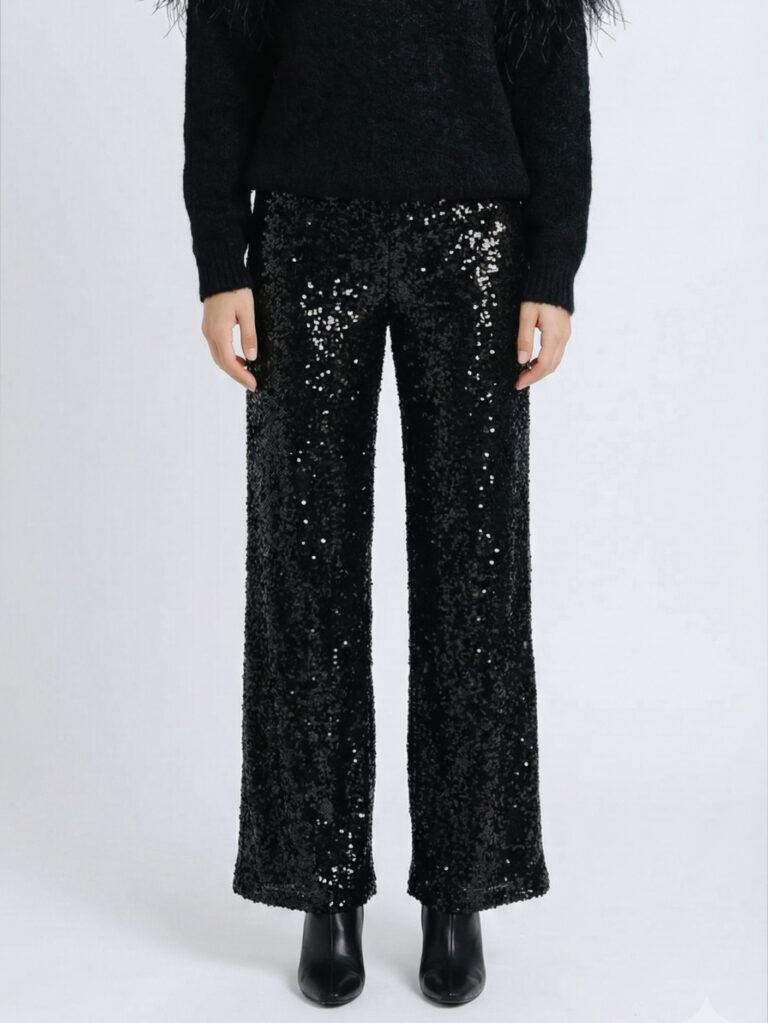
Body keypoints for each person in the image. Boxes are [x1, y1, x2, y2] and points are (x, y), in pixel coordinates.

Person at [158, 0, 620, 1006]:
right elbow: (222, 58)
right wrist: (219, 259)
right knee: (303, 567)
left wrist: (552, 267)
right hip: (303, 232)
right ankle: (322, 885)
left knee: (476, 572)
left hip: (477, 240)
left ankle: (463, 885)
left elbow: (552, 68)